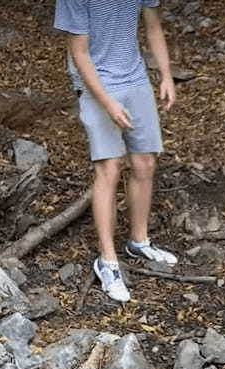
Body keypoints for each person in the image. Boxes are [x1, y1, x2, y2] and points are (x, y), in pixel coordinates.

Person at [54, 0, 178, 303]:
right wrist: (107, 102)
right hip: (95, 80)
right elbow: (79, 53)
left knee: (145, 162)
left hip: (134, 78)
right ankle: (107, 262)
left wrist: (166, 75)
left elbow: (152, 26)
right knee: (109, 168)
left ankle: (139, 241)